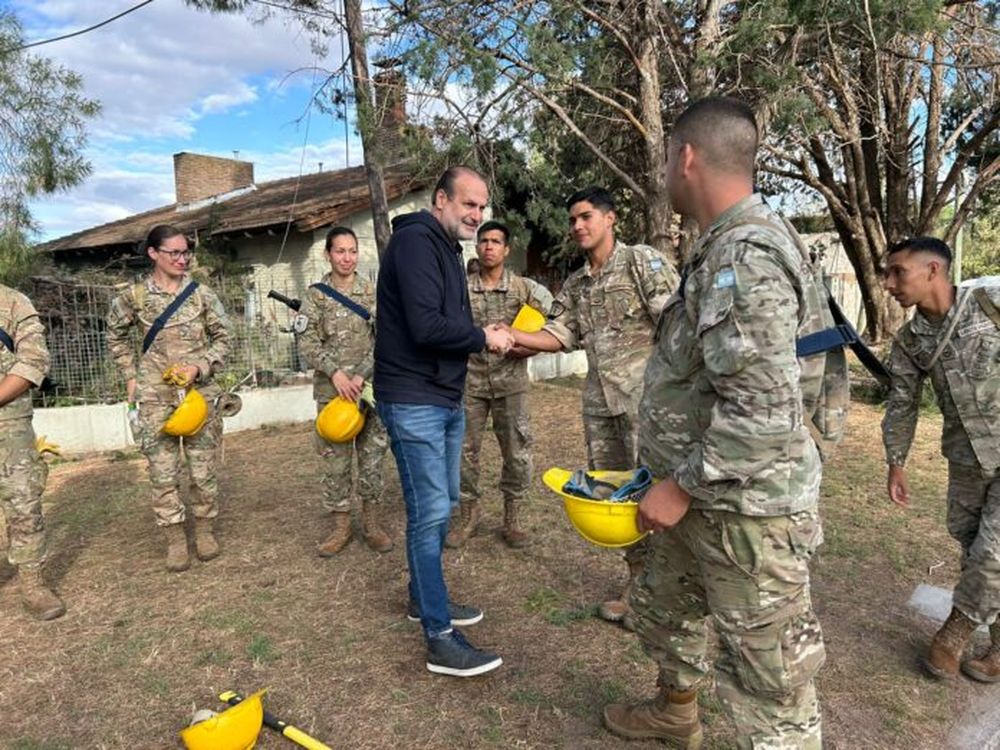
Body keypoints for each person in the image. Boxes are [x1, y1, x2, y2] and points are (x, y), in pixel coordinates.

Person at [602, 97, 826, 748]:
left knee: (769, 685)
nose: (666, 173)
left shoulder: (746, 255)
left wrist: (681, 485)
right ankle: (676, 713)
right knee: (666, 613)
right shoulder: (723, 246)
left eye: (668, 157)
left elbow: (763, 410)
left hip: (742, 514)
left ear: (687, 156)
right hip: (703, 499)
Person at [507, 186, 678, 624]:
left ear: (610, 218)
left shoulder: (641, 261)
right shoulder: (578, 283)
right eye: (572, 220)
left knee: (657, 494)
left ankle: (667, 595)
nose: (577, 226)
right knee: (619, 500)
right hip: (601, 407)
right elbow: (560, 333)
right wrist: (512, 336)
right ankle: (637, 585)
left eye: (585, 216)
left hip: (647, 404)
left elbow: (678, 324)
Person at [374, 165, 514, 677]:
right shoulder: (415, 243)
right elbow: (426, 325)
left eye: (482, 207)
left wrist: (482, 328)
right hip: (413, 399)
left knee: (445, 501)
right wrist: (484, 339)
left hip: (442, 396)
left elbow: (446, 320)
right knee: (430, 511)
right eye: (468, 205)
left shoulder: (447, 248)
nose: (477, 215)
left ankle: (421, 596)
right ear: (441, 200)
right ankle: (438, 636)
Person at [882, 237, 1000, 682]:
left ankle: (954, 633)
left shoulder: (988, 300)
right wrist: (897, 461)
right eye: (887, 273)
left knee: (993, 553)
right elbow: (902, 403)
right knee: (975, 549)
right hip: (967, 459)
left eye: (898, 272)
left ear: (934, 270)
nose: (889, 283)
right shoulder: (910, 340)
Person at [106, 225, 230, 573]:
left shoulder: (202, 295)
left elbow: (224, 338)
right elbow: (115, 336)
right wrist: (131, 374)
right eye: (173, 252)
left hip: (198, 396)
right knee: (162, 472)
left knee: (203, 470)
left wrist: (201, 366)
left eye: (185, 252)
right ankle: (176, 539)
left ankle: (204, 531)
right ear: (153, 254)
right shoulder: (135, 298)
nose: (181, 258)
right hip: (154, 397)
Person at [445, 220, 551, 550]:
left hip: (511, 383)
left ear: (506, 249)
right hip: (471, 382)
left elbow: (559, 320)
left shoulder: (524, 288)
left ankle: (512, 518)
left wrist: (530, 346)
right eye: (484, 241)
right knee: (464, 453)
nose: (489, 246)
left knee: (517, 452)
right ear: (477, 247)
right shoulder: (460, 289)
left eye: (496, 241)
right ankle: (469, 515)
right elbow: (446, 327)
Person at [298, 226, 392, 557]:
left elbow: (385, 338)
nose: (347, 258)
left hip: (368, 392)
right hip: (331, 393)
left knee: (372, 459)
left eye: (352, 251)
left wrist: (360, 375)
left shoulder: (372, 292)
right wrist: (335, 372)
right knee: (335, 463)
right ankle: (341, 528)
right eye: (340, 251)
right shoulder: (315, 295)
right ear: (328, 254)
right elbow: (305, 341)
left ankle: (372, 525)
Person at [0, 284, 65, 620]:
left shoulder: (12, 302)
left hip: (7, 423)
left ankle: (33, 585)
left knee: (23, 503)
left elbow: (33, 362)